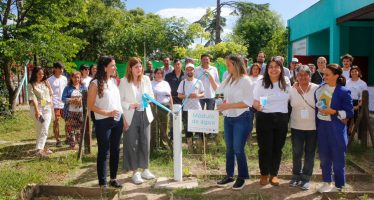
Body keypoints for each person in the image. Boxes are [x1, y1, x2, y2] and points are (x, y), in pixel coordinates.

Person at [216, 55, 254, 190]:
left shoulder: (246, 81)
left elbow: (247, 103)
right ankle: (229, 176)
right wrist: (220, 103)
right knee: (229, 150)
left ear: (237, 65)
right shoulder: (228, 78)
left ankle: (242, 177)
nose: (227, 67)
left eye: (229, 65)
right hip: (228, 118)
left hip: (242, 118)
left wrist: (227, 106)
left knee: (238, 149)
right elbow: (219, 92)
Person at [252, 57, 291, 186]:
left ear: (281, 69)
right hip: (265, 118)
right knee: (265, 148)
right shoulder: (261, 81)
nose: (273, 69)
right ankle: (264, 173)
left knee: (277, 148)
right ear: (267, 69)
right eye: (270, 67)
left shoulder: (286, 81)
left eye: (276, 67)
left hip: (281, 118)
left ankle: (274, 174)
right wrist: (258, 106)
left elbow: (290, 97)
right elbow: (255, 100)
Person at [315, 64, 354, 193]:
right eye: (324, 74)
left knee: (338, 157)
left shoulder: (343, 91)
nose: (324, 77)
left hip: (336, 128)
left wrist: (334, 112)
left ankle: (339, 185)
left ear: (336, 76)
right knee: (324, 156)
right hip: (322, 127)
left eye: (327, 74)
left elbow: (349, 112)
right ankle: (326, 182)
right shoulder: (320, 89)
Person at [87, 56, 123, 188]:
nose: (115, 68)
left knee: (115, 149)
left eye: (115, 65)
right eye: (112, 65)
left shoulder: (113, 82)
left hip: (117, 120)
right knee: (104, 151)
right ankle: (102, 183)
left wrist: (122, 119)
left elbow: (117, 103)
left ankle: (113, 178)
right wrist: (108, 113)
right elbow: (90, 106)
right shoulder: (95, 83)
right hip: (103, 121)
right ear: (104, 67)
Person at [119, 57, 156, 185]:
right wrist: (130, 105)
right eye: (136, 67)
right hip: (131, 115)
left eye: (140, 66)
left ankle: (145, 169)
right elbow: (120, 101)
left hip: (145, 114)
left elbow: (152, 96)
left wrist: (148, 98)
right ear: (130, 68)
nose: (139, 69)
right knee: (132, 143)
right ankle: (135, 172)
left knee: (145, 141)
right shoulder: (124, 81)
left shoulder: (146, 79)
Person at [289, 65, 318, 190]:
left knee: (310, 153)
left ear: (309, 75)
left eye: (305, 74)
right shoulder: (292, 89)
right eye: (300, 75)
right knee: (296, 153)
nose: (302, 77)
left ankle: (306, 178)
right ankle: (296, 176)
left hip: (313, 127)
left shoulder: (317, 89)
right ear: (296, 77)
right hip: (296, 126)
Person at [177, 63, 205, 152]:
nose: (189, 71)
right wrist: (187, 96)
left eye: (191, 69)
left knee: (199, 128)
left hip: (197, 108)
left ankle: (199, 148)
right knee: (188, 129)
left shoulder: (199, 81)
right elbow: (179, 95)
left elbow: (203, 93)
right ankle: (190, 148)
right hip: (186, 109)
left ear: (194, 71)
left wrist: (198, 95)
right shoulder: (183, 82)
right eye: (188, 69)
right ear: (186, 71)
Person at [28, 66, 54, 157]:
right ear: (35, 74)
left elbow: (51, 93)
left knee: (44, 127)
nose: (41, 75)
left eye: (42, 74)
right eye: (39, 74)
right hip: (37, 109)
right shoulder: (31, 84)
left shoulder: (46, 82)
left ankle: (40, 148)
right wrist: (37, 111)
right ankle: (40, 149)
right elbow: (33, 99)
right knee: (42, 127)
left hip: (47, 109)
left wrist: (49, 100)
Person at [62, 72, 87, 149]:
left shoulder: (83, 88)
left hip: (81, 111)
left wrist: (81, 100)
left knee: (80, 128)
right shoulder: (67, 88)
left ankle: (80, 144)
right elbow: (63, 99)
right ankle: (72, 144)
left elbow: (87, 98)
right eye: (75, 77)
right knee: (71, 128)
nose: (76, 79)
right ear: (72, 78)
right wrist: (72, 100)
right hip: (70, 112)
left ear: (80, 78)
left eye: (78, 77)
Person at [151, 68, 173, 151]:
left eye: (161, 73)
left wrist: (171, 106)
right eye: (158, 73)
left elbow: (170, 95)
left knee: (165, 126)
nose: (159, 75)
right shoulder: (151, 83)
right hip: (155, 107)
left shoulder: (166, 83)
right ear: (154, 74)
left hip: (165, 107)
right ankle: (154, 145)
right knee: (155, 126)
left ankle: (164, 144)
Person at [47, 62, 68, 147]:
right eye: (60, 68)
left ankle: (68, 137)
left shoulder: (64, 79)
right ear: (55, 68)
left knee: (68, 120)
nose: (61, 70)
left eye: (62, 68)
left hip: (64, 104)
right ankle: (58, 140)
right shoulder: (49, 80)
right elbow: (47, 93)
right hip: (55, 104)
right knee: (56, 122)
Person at [346, 65, 368, 141]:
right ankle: (347, 138)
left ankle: (360, 139)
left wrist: (358, 106)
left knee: (358, 121)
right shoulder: (347, 82)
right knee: (347, 121)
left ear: (359, 72)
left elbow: (364, 97)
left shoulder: (363, 83)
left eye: (356, 71)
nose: (354, 73)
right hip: (348, 102)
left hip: (358, 103)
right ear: (350, 73)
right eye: (352, 71)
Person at [165, 59, 185, 140]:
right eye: (176, 64)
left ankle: (185, 136)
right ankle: (172, 135)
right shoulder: (168, 76)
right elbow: (166, 88)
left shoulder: (185, 75)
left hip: (184, 100)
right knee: (173, 117)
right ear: (173, 65)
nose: (177, 66)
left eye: (179, 64)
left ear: (181, 65)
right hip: (173, 99)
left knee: (184, 118)